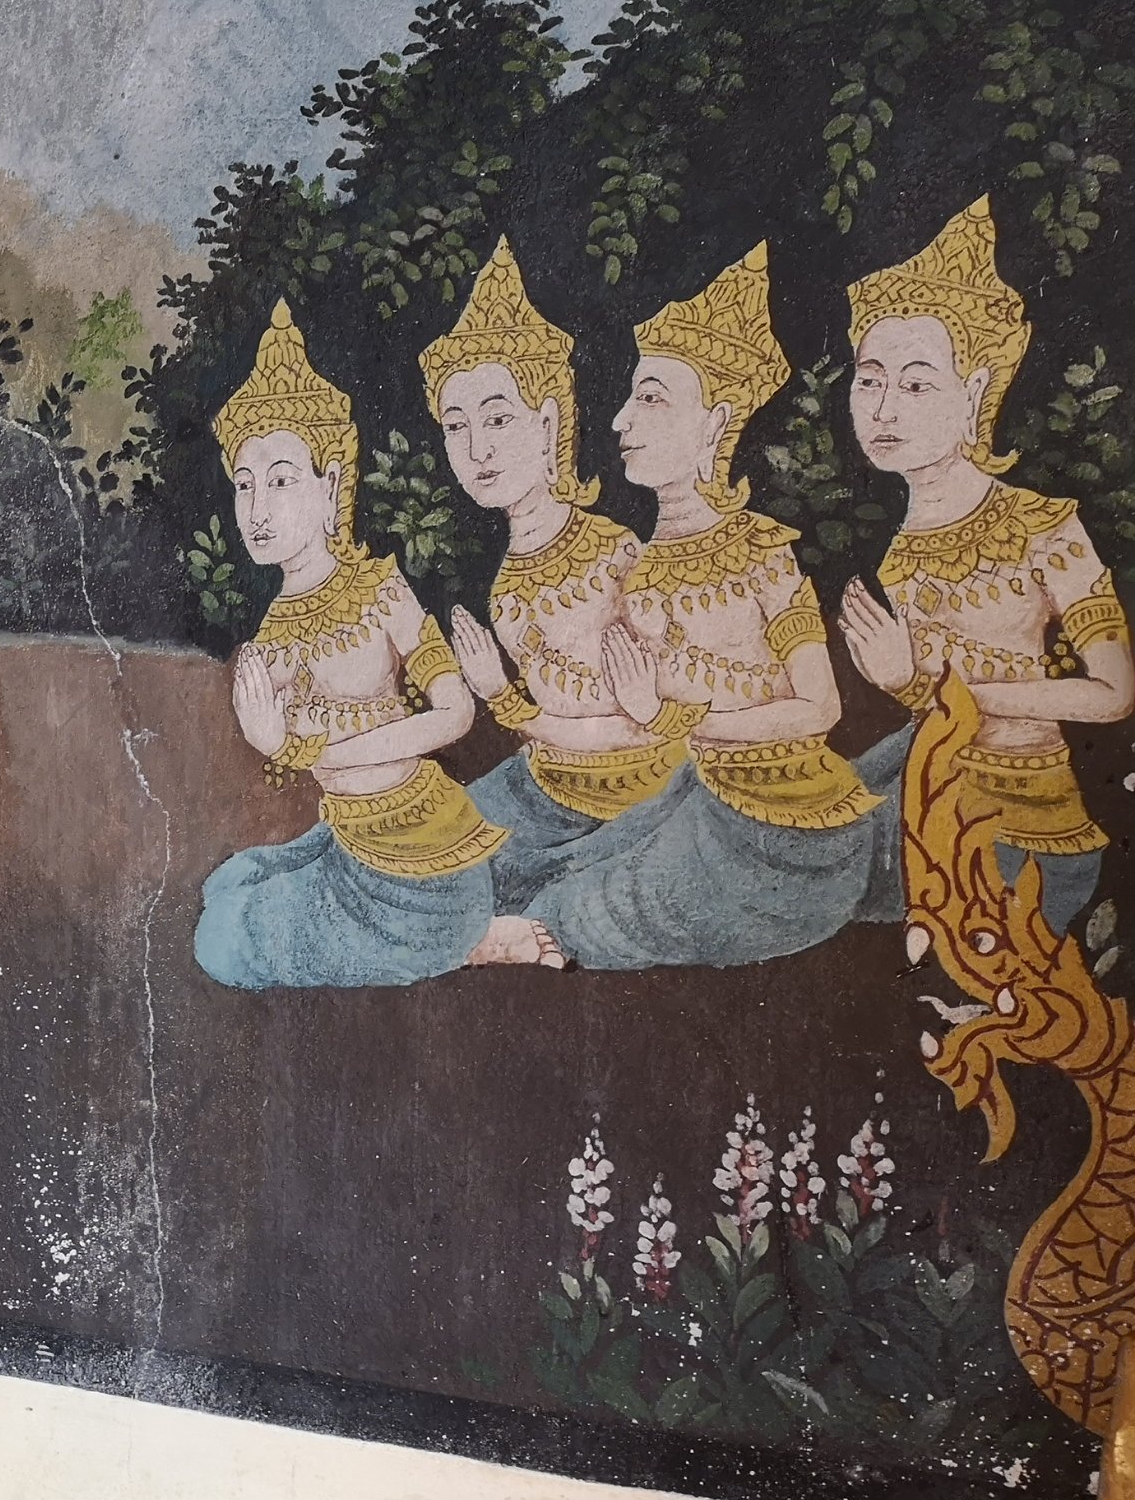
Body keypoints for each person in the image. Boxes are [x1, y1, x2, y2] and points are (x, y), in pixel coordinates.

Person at [521, 246, 885, 967]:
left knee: (577, 912)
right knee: (547, 872)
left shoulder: (761, 552)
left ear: (714, 424)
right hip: (696, 798)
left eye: (651, 398)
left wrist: (665, 718)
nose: (620, 420)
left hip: (790, 829)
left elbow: (819, 708)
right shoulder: (637, 566)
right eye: (631, 397)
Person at [194, 302, 553, 988]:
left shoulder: (381, 591)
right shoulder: (273, 635)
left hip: (425, 870)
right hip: (353, 850)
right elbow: (292, 755)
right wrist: (278, 744)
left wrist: (299, 748)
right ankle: (455, 936)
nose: (258, 508)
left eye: (281, 480)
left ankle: (468, 940)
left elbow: (455, 713)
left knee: (223, 942)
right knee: (230, 885)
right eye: (244, 485)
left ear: (330, 486)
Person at [835, 197, 1132, 933]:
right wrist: (911, 687)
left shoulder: (1044, 526)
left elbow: (1114, 694)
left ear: (972, 393)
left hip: (1029, 830)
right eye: (869, 379)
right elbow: (935, 714)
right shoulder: (902, 549)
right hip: (929, 784)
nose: (883, 409)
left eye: (916, 383)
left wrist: (915, 681)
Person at [424, 240, 682, 909]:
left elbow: (661, 728)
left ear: (547, 424)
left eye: (498, 419)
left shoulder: (616, 553)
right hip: (545, 788)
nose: (477, 449)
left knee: (500, 889)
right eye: (456, 426)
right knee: (429, 855)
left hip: (644, 799)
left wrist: (503, 698)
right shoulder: (507, 586)